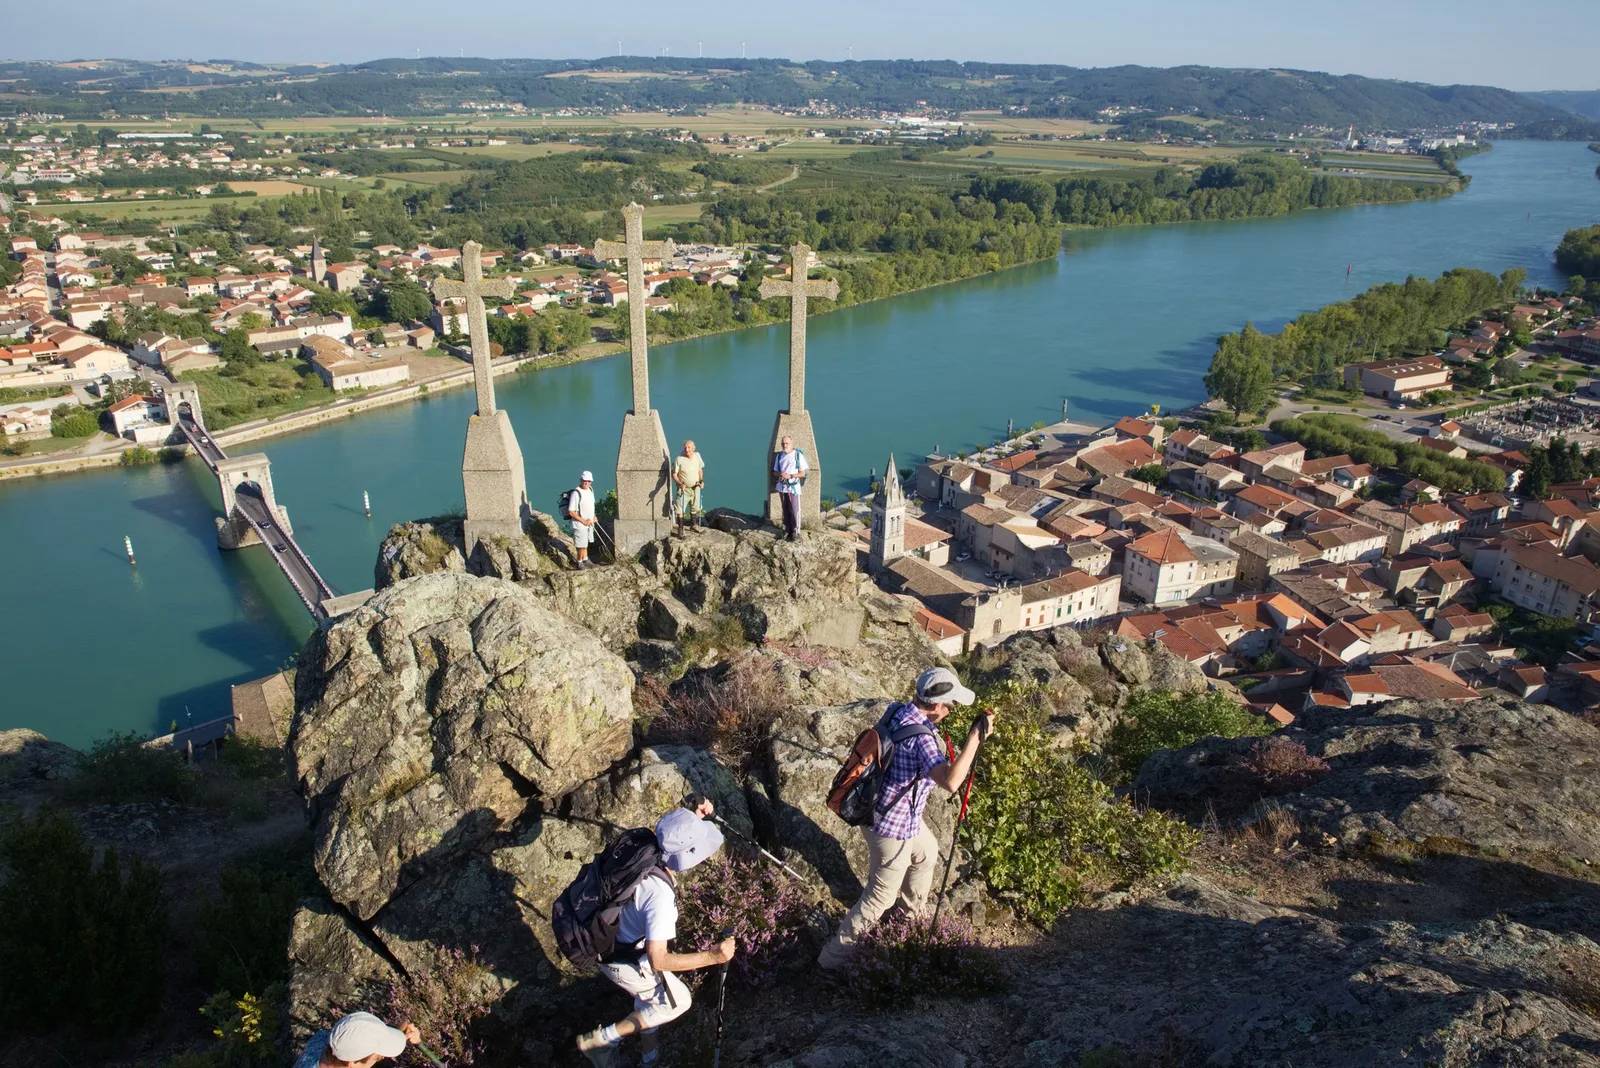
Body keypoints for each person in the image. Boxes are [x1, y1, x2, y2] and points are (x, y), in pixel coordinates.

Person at [817, 666, 996, 970]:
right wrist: (976, 738)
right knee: (879, 897)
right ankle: (830, 961)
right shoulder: (922, 739)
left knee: (927, 852)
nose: (951, 710)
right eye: (951, 705)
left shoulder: (897, 711)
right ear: (937, 706)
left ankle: (909, 917)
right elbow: (951, 782)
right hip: (892, 828)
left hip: (881, 809)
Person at [577, 801, 737, 1067]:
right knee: (677, 1002)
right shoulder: (659, 896)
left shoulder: (644, 850)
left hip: (608, 944)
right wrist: (713, 957)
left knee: (653, 998)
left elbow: (674, 836)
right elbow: (659, 960)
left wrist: (693, 819)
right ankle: (601, 1042)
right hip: (625, 961)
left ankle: (649, 1059)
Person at [294, 1012, 421, 1068]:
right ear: (352, 1063)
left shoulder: (324, 1039)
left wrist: (400, 1034)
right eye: (377, 1058)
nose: (382, 1057)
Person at [772, 435, 808, 541]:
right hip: (782, 487)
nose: (785, 445)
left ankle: (796, 531)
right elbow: (774, 472)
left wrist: (791, 476)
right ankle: (787, 529)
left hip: (793, 488)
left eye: (787, 443)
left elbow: (802, 473)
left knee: (795, 510)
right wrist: (780, 474)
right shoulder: (779, 456)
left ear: (791, 444)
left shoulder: (798, 455)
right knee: (785, 508)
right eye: (783, 443)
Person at [671, 439, 705, 534]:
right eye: (685, 447)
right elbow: (674, 474)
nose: (687, 449)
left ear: (694, 448)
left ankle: (694, 525)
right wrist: (679, 483)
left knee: (695, 507)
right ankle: (681, 529)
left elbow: (700, 470)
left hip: (696, 487)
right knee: (680, 509)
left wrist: (701, 481)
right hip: (684, 489)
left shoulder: (697, 456)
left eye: (689, 447)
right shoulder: (679, 459)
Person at [568, 469, 597, 569]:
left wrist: (594, 516)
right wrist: (583, 521)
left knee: (585, 542)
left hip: (589, 523)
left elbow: (591, 505)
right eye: (585, 480)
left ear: (591, 482)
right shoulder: (576, 493)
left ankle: (585, 559)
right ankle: (579, 562)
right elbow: (571, 511)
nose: (586, 482)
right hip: (580, 524)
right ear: (581, 480)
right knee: (581, 544)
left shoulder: (590, 490)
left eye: (589, 481)